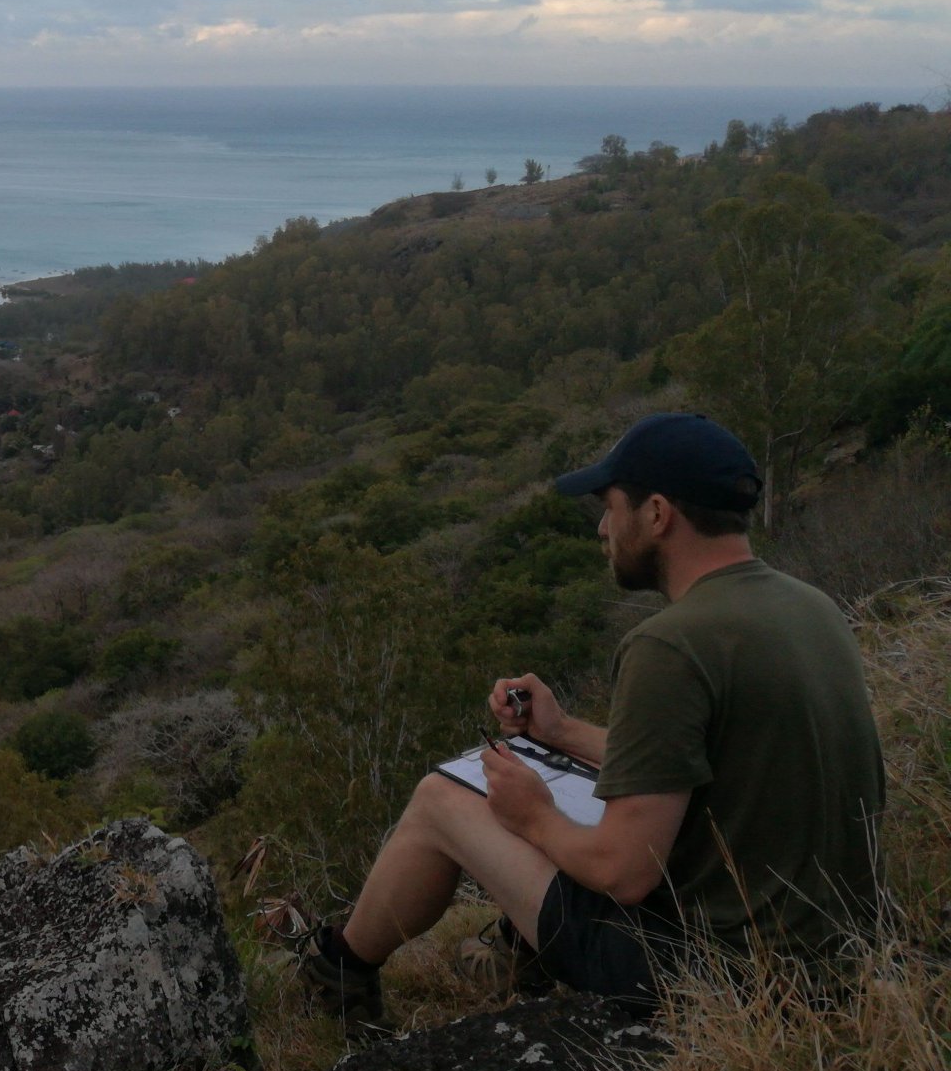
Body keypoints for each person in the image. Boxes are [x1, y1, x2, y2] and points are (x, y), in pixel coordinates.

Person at [300, 412, 885, 1029]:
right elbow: (707, 759)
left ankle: (340, 972)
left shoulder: (670, 644)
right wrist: (558, 733)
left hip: (721, 980)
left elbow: (622, 872)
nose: (604, 528)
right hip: (836, 956)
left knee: (441, 800)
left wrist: (533, 815)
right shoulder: (810, 607)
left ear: (657, 514)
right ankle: (513, 947)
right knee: (553, 787)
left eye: (611, 507)